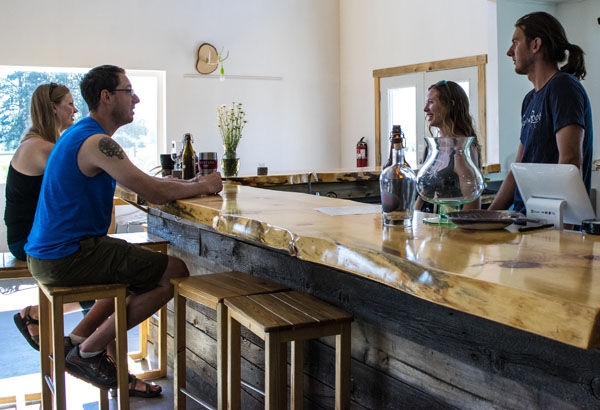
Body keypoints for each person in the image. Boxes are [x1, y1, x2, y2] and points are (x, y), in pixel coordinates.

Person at [24, 65, 223, 395]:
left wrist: (178, 184)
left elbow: (144, 182)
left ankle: (73, 341)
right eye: (129, 91)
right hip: (68, 255)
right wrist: (203, 185)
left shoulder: (81, 135)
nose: (137, 99)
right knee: (174, 272)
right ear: (106, 97)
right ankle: (88, 353)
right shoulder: (96, 141)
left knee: (137, 271)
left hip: (49, 254)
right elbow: (153, 193)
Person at [6, 83, 96, 353]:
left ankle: (96, 355)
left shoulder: (41, 143)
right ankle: (91, 353)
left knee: (102, 282)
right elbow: (79, 181)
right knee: (105, 285)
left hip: (37, 236)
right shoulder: (40, 148)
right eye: (69, 103)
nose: (75, 109)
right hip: (27, 242)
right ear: (53, 108)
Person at [489, 11, 593, 213]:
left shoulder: (563, 87)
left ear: (535, 45)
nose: (509, 51)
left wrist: (565, 228)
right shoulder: (530, 99)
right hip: (526, 219)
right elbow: (517, 169)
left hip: (553, 225)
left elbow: (570, 163)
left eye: (516, 42)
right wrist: (486, 216)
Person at [415, 80, 482, 211]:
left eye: (431, 102)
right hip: (427, 226)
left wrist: (460, 230)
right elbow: (422, 195)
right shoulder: (431, 147)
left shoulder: (461, 148)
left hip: (451, 227)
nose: (425, 109)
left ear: (450, 105)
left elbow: (472, 202)